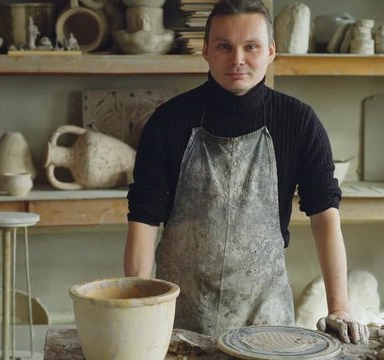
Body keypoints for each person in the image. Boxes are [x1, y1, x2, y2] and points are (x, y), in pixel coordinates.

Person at [123, 0, 368, 344]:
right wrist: (139, 311)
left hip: (266, 318)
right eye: (224, 46)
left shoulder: (298, 122)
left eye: (250, 47)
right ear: (206, 51)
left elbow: (324, 215)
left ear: (270, 52)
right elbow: (144, 219)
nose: (237, 59)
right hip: (178, 318)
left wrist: (339, 307)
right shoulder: (169, 122)